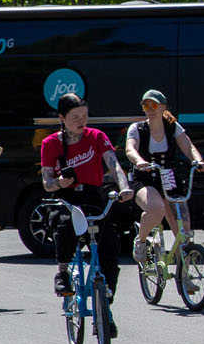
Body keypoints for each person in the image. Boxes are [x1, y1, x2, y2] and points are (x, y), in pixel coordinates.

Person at [40, 93, 134, 329]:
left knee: (110, 245)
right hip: (66, 196)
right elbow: (46, 182)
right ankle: (62, 272)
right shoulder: (50, 143)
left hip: (92, 195)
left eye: (84, 115)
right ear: (62, 118)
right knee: (65, 224)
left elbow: (114, 165)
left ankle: (105, 305)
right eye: (75, 117)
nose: (82, 121)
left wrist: (125, 188)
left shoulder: (97, 137)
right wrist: (59, 183)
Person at [123, 90, 204, 262]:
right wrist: (139, 161)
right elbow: (130, 149)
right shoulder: (138, 128)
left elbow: (188, 146)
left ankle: (183, 270)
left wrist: (199, 161)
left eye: (154, 105)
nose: (150, 109)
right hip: (145, 178)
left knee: (183, 228)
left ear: (163, 107)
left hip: (168, 176)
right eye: (146, 105)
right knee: (156, 208)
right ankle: (140, 241)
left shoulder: (172, 127)